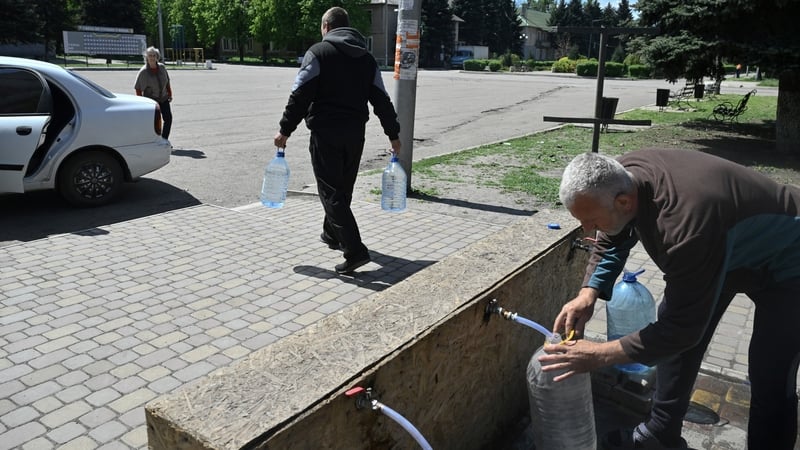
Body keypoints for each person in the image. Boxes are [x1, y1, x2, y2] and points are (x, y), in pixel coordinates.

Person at [541, 149, 800, 450]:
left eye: (591, 222)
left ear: (623, 201)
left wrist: (599, 355)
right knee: (676, 334)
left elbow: (680, 329)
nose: (588, 230)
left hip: (791, 261)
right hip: (729, 247)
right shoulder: (619, 175)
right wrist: (589, 293)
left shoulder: (683, 227)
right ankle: (660, 433)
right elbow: (613, 235)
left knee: (769, 370)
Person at [273, 6, 401, 274]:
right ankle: (331, 234)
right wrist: (393, 134)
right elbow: (381, 99)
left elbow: (300, 95)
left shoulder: (318, 53)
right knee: (343, 188)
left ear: (327, 27)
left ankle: (354, 250)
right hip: (355, 134)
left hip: (326, 132)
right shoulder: (366, 59)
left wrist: (285, 130)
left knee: (331, 192)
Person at [135, 46, 173, 140]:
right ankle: (153, 141)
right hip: (152, 101)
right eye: (150, 55)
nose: (152, 57)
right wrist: (141, 102)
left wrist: (170, 93)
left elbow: (167, 81)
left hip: (164, 98)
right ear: (146, 57)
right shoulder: (144, 71)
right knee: (154, 122)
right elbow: (138, 88)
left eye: (154, 55)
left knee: (168, 119)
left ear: (157, 56)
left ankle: (164, 139)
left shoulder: (162, 67)